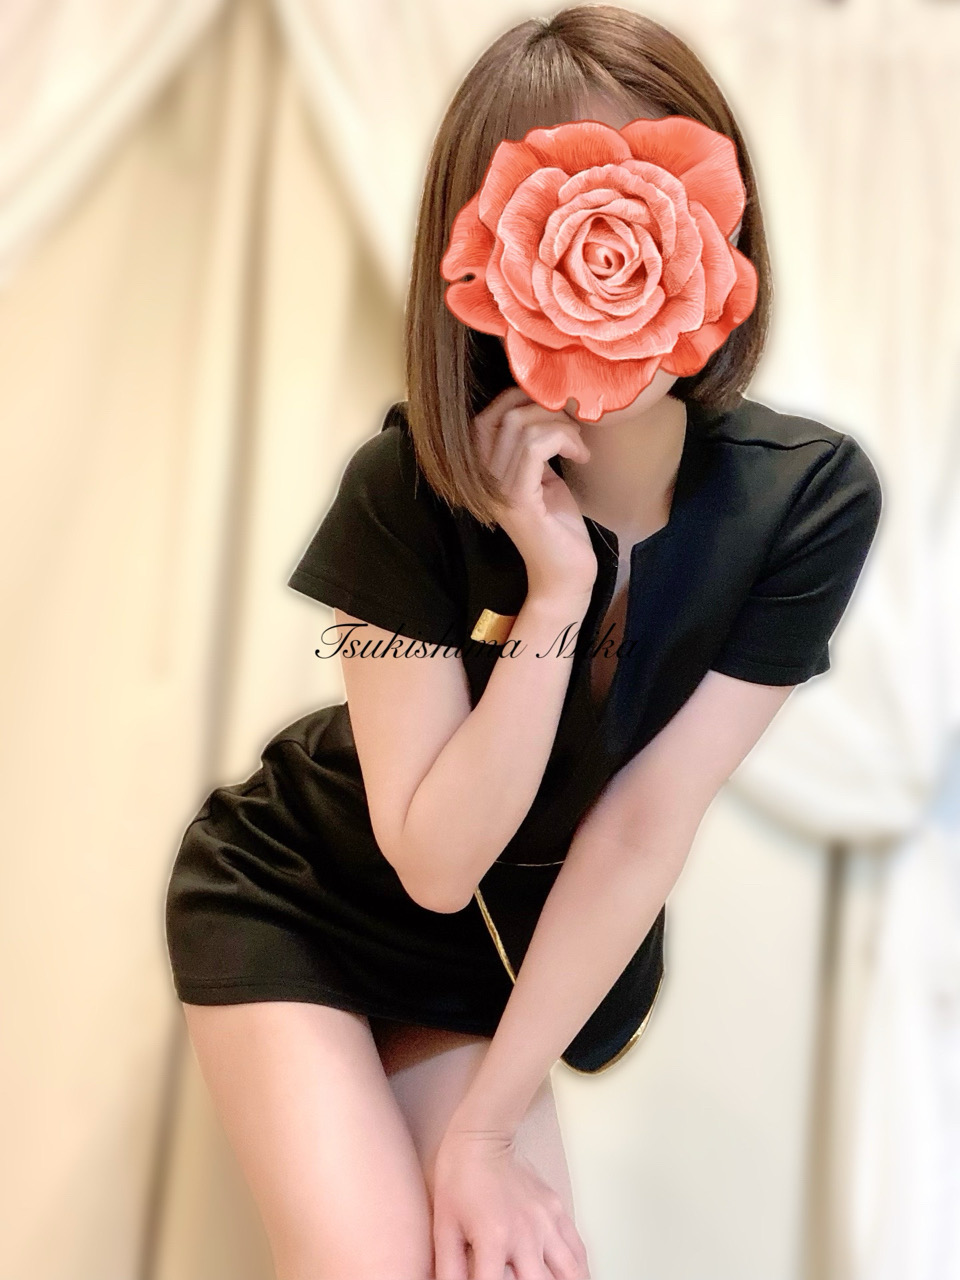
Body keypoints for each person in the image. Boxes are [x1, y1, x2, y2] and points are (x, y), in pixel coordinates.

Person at [164, 7, 883, 1280]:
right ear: (487, 264)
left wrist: (485, 1129)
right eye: (566, 219)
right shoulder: (402, 491)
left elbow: (642, 825)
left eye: (657, 205)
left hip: (498, 945)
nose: (617, 258)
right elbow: (437, 858)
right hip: (301, 891)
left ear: (722, 235)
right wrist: (554, 594)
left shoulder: (806, 501)